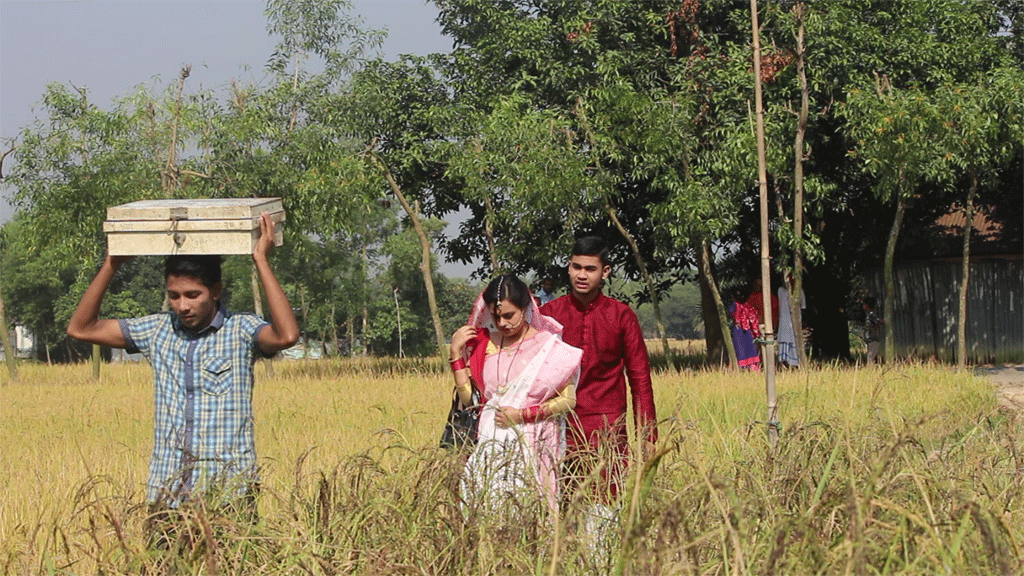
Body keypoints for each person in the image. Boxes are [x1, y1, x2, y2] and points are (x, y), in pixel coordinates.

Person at [66, 212, 299, 529]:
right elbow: (82, 328)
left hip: (228, 493)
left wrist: (261, 260)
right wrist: (112, 265)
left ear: (215, 291)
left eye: (193, 295)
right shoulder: (156, 331)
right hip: (168, 492)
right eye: (174, 296)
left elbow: (286, 336)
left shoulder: (241, 330)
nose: (183, 306)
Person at [448, 274, 582, 514]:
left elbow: (569, 400)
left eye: (508, 315)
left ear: (525, 308)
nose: (501, 323)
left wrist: (522, 415)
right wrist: (456, 356)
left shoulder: (550, 347)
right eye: (495, 316)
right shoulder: (485, 345)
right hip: (490, 444)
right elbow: (472, 402)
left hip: (535, 442)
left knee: (531, 514)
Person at [539, 236, 657, 503]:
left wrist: (647, 435)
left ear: (605, 272)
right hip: (557, 425)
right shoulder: (548, 315)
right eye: (576, 267)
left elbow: (639, 377)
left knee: (604, 508)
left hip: (607, 428)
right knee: (557, 507)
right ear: (568, 267)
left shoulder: (621, 315)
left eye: (590, 269)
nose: (582, 275)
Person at [777, 272, 806, 368]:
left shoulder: (799, 292)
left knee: (794, 341)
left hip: (794, 323)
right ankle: (784, 364)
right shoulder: (781, 291)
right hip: (783, 323)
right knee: (784, 341)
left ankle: (795, 364)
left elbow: (803, 308)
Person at [729, 288, 761, 371]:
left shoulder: (735, 306)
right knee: (750, 348)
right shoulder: (748, 307)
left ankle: (742, 368)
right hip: (748, 330)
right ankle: (753, 367)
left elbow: (733, 316)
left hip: (738, 330)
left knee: (740, 349)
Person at [863, 296, 883, 365]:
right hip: (870, 340)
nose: (863, 306)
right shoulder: (868, 315)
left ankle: (871, 372)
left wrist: (875, 328)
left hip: (873, 339)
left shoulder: (872, 314)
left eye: (863, 304)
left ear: (866, 305)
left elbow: (879, 321)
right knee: (870, 357)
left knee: (870, 358)